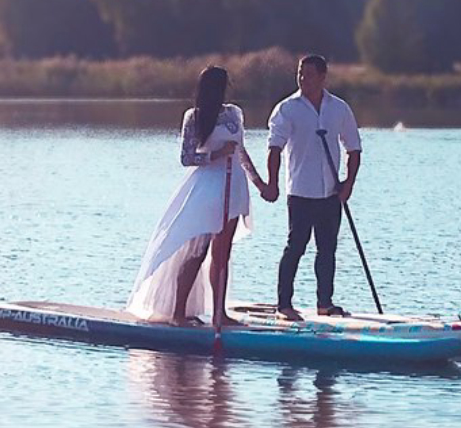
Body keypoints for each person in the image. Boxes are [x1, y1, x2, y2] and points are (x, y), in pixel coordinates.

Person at [127, 64, 273, 327]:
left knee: (222, 254)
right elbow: (186, 157)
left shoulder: (234, 114)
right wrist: (216, 154)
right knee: (198, 252)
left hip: (234, 185)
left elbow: (241, 152)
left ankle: (220, 313)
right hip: (208, 188)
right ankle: (178, 313)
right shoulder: (194, 117)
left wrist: (259, 183)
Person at [265, 54, 363, 320]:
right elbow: (275, 148)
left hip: (330, 193)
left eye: (309, 75)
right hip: (300, 191)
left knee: (327, 248)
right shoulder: (287, 109)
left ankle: (325, 303)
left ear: (322, 77)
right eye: (300, 74)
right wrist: (272, 183)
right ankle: (284, 304)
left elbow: (354, 148)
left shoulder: (339, 108)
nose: (303, 79)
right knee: (295, 246)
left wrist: (348, 185)